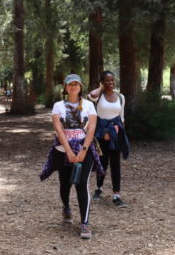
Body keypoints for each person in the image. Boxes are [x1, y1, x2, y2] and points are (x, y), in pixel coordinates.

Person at [40, 74, 104, 239]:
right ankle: (66, 207)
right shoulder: (58, 106)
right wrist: (69, 151)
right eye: (70, 84)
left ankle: (85, 222)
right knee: (65, 183)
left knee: (82, 184)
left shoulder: (89, 105)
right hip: (63, 150)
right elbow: (58, 129)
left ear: (80, 86)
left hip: (85, 149)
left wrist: (83, 150)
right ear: (65, 87)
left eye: (76, 84)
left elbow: (91, 128)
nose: (73, 87)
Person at [88, 70, 130, 208]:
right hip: (101, 133)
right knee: (102, 162)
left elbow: (121, 117)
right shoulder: (98, 96)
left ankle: (116, 195)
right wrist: (101, 87)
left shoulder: (120, 97)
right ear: (102, 82)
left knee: (115, 164)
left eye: (112, 80)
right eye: (107, 80)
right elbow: (91, 95)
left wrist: (121, 134)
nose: (110, 83)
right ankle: (99, 188)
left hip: (116, 134)